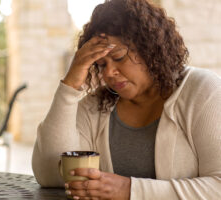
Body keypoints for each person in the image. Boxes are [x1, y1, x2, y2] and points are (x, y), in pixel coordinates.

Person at [32, 0, 221, 199]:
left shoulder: (203, 92)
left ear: (150, 48)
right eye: (101, 64)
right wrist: (70, 86)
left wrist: (129, 190)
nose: (110, 73)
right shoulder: (97, 105)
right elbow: (50, 174)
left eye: (119, 57)